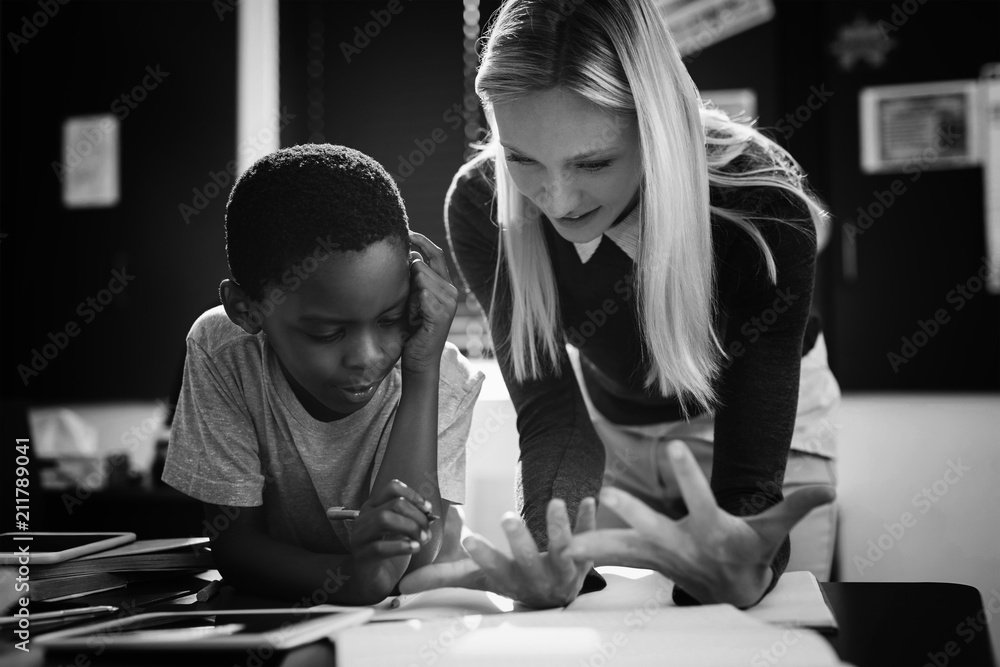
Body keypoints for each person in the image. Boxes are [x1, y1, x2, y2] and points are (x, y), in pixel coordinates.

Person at [401, 0, 840, 609]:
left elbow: (750, 479)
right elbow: (551, 403)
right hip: (614, 434)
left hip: (761, 425)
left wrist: (748, 558)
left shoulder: (759, 208)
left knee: (744, 622)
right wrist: (545, 549)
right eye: (522, 159)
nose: (557, 199)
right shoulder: (480, 206)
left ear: (654, 125)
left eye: (594, 162)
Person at [162, 144, 484, 604]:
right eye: (327, 332)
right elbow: (234, 546)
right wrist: (354, 578)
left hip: (424, 608)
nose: (366, 356)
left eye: (391, 319)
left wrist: (421, 370)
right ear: (247, 310)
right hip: (292, 605)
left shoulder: (442, 373)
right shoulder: (223, 351)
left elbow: (411, 561)